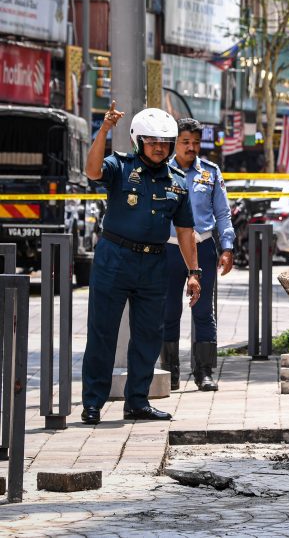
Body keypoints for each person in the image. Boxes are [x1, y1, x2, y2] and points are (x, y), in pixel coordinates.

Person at [80, 103, 201, 425]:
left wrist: (194, 272)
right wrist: (104, 130)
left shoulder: (177, 182)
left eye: (165, 142)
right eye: (152, 141)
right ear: (138, 140)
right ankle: (92, 402)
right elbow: (91, 172)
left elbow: (186, 231)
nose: (159, 147)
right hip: (114, 259)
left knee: (148, 336)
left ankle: (137, 402)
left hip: (154, 264)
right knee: (102, 333)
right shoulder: (120, 167)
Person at [162, 118, 235, 392]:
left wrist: (227, 247)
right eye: (185, 142)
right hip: (169, 248)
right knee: (169, 310)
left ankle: (204, 372)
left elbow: (223, 213)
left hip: (203, 246)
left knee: (203, 311)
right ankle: (169, 372)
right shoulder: (162, 172)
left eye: (195, 142)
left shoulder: (211, 172)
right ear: (174, 143)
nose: (191, 147)